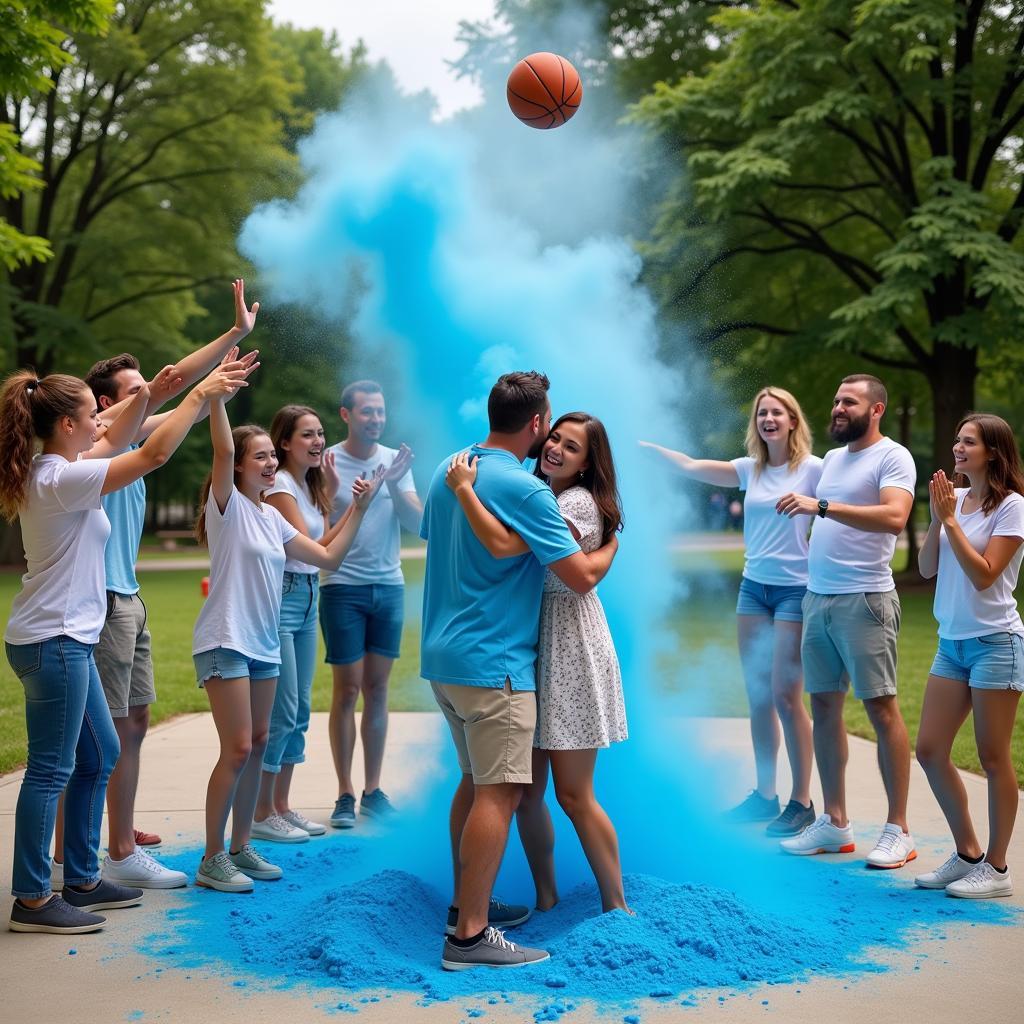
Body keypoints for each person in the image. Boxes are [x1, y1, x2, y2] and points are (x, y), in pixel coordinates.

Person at [1, 357, 253, 934]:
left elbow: (119, 433)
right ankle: (34, 900)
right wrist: (199, 396)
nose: (102, 420)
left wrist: (168, 388)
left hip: (65, 639)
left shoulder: (62, 463)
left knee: (99, 754)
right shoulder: (62, 478)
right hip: (53, 641)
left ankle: (84, 879)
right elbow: (150, 453)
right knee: (50, 770)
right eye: (92, 412)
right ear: (66, 425)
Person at [49, 279, 261, 890]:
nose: (149, 394)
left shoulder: (128, 428)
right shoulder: (101, 439)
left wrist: (234, 336)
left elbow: (176, 384)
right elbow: (177, 390)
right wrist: (200, 385)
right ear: (102, 406)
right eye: (133, 393)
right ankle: (98, 852)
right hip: (103, 604)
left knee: (133, 723)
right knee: (99, 735)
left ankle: (115, 836)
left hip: (129, 599)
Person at [420, 371, 618, 971]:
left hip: (444, 659)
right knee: (500, 793)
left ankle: (463, 908)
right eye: (552, 428)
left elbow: (482, 547)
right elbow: (578, 576)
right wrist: (613, 545)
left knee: (474, 782)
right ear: (536, 424)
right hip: (496, 665)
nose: (555, 443)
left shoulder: (449, 470)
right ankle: (470, 937)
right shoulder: (528, 492)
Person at [192, 391, 380, 893]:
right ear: (237, 468)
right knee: (235, 749)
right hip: (225, 640)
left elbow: (327, 558)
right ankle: (212, 857)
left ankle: (240, 846)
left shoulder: (272, 517)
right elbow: (223, 451)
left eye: (273, 457)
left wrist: (358, 507)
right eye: (262, 456)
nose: (272, 463)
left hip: (262, 647)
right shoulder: (226, 506)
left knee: (257, 744)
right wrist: (216, 398)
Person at [447, 411, 630, 914]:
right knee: (525, 793)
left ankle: (617, 907)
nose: (557, 450)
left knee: (573, 795)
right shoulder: (539, 492)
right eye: (556, 439)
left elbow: (512, 550)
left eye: (572, 448)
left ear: (589, 463)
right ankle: (546, 898)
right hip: (530, 645)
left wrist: (465, 489)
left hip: (568, 645)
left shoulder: (572, 502)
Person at [640, 387, 821, 836]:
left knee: (785, 695)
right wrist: (643, 447)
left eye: (777, 412)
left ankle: (803, 802)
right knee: (758, 694)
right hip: (753, 591)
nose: (768, 419)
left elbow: (844, 507)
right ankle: (765, 795)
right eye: (761, 412)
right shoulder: (750, 470)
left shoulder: (815, 470)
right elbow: (689, 465)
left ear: (793, 421)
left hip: (795, 592)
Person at [776, 373, 917, 868]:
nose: (837, 408)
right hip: (819, 599)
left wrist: (824, 506)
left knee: (881, 709)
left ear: (875, 410)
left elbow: (896, 517)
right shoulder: (833, 459)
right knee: (825, 709)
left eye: (849, 402)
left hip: (866, 599)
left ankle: (898, 828)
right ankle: (835, 823)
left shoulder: (892, 456)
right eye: (836, 400)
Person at [914, 414, 1024, 898]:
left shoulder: (1013, 507)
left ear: (993, 453)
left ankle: (996, 870)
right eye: (956, 439)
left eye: (968, 442)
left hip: (996, 644)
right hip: (951, 644)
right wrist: (939, 519)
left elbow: (984, 575)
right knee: (931, 750)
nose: (957, 448)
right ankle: (967, 854)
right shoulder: (952, 500)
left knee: (993, 756)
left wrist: (952, 522)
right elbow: (925, 568)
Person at [251, 404, 367, 841]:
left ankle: (281, 804)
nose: (319, 441)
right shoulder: (279, 485)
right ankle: (262, 813)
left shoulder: (306, 483)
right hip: (284, 597)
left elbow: (319, 542)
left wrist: (337, 499)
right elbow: (313, 547)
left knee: (299, 708)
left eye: (321, 433)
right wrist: (355, 507)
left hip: (307, 597)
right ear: (284, 442)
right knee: (282, 710)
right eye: (307, 435)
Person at [319, 381, 421, 828]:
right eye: (367, 412)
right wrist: (333, 492)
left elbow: (417, 523)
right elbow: (313, 530)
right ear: (346, 415)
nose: (376, 419)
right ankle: (343, 792)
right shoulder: (328, 462)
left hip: (388, 586)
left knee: (378, 691)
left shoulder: (393, 462)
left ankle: (372, 790)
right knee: (348, 690)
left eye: (380, 411)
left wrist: (396, 484)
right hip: (342, 586)